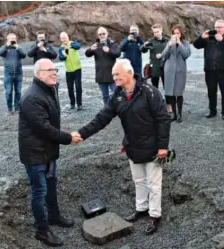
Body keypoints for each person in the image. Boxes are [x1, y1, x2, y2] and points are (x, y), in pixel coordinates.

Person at [73, 59, 171, 235]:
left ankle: (155, 215)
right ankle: (141, 209)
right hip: (132, 146)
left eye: (117, 74)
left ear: (130, 73)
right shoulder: (117, 95)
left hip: (153, 147)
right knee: (139, 181)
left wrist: (163, 146)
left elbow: (164, 118)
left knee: (154, 184)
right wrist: (82, 133)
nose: (114, 78)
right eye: (113, 75)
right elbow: (102, 118)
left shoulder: (150, 92)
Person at [18, 59, 82, 247]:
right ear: (39, 74)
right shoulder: (32, 97)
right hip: (35, 154)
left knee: (51, 185)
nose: (54, 72)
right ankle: (42, 230)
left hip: (48, 151)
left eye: (55, 69)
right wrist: (68, 138)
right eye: (50, 70)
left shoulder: (48, 89)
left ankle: (54, 216)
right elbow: (43, 128)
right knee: (39, 191)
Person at [193, 20, 224, 120]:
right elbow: (196, 45)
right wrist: (201, 37)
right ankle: (212, 111)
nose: (218, 29)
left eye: (221, 27)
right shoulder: (209, 37)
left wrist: (222, 40)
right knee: (211, 91)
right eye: (217, 27)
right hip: (210, 70)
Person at [161, 25, 191, 123]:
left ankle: (180, 114)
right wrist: (169, 45)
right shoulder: (169, 43)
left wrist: (180, 44)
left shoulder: (185, 43)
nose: (176, 35)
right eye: (174, 33)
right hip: (169, 70)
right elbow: (164, 55)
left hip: (180, 71)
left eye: (178, 33)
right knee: (171, 93)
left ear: (181, 34)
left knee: (179, 93)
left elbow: (186, 54)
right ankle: (173, 114)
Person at [85, 27, 121, 106]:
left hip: (113, 75)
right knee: (105, 96)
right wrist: (91, 49)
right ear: (98, 35)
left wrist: (109, 51)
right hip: (101, 76)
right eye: (100, 34)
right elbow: (87, 54)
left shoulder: (112, 44)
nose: (102, 35)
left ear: (107, 34)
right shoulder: (96, 45)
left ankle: (118, 109)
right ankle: (107, 110)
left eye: (103, 33)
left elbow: (118, 54)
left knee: (116, 95)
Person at [140, 24, 170, 109]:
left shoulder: (167, 40)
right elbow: (142, 50)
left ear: (161, 30)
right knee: (154, 88)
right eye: (154, 32)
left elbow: (171, 52)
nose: (156, 33)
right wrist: (144, 46)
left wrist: (162, 55)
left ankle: (169, 106)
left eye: (157, 31)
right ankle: (156, 105)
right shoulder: (151, 41)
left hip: (165, 66)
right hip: (154, 68)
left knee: (167, 88)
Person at [0, 33, 26, 115]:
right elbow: (0, 53)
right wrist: (7, 45)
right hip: (8, 74)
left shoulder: (19, 48)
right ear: (8, 39)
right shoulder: (5, 48)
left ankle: (17, 108)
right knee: (8, 92)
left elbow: (24, 55)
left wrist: (18, 48)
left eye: (14, 38)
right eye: (11, 38)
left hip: (18, 74)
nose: (13, 39)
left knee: (18, 92)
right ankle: (9, 109)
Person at [58, 32, 83, 110]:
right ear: (60, 39)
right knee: (70, 88)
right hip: (68, 71)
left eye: (65, 37)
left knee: (78, 87)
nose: (64, 39)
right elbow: (60, 57)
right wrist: (64, 57)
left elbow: (78, 46)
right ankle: (72, 103)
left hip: (77, 69)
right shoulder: (61, 48)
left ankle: (79, 104)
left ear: (68, 37)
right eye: (62, 38)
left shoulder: (72, 43)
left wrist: (70, 45)